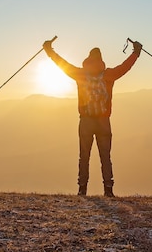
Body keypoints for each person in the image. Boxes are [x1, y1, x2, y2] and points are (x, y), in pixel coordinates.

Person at [43, 39, 142, 197]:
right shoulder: (109, 75)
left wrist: (49, 51)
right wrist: (136, 52)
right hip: (103, 122)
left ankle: (82, 189)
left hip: (85, 121)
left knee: (84, 156)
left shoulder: (80, 74)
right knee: (105, 157)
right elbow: (125, 67)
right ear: (101, 59)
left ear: (87, 59)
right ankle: (108, 190)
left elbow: (62, 64)